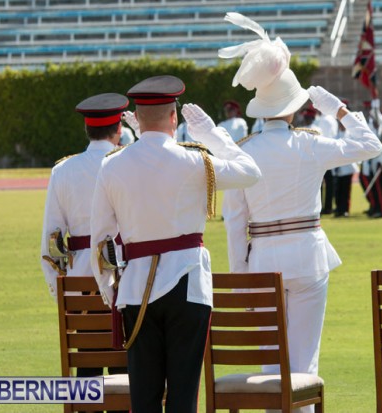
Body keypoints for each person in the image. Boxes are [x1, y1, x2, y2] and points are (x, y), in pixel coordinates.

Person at [218, 13, 382, 413]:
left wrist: (241, 278)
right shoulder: (310, 144)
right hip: (308, 257)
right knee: (304, 364)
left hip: (262, 261)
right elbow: (371, 145)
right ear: (294, 109)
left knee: (270, 364)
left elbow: (235, 223)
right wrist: (339, 110)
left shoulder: (244, 151)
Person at [90, 75, 261, 413]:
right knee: (183, 395)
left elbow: (101, 241)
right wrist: (211, 135)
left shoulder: (112, 165)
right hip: (188, 285)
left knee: (144, 396)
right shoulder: (196, 160)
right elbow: (250, 172)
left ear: (137, 120)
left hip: (135, 288)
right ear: (174, 118)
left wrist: (111, 292)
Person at [40, 93, 129, 384]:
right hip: (127, 279)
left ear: (86, 129)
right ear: (119, 129)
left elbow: (51, 240)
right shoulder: (127, 163)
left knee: (87, 370)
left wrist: (62, 291)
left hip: (81, 284)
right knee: (125, 371)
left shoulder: (63, 170)